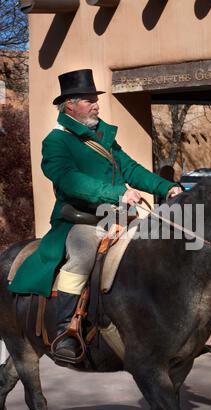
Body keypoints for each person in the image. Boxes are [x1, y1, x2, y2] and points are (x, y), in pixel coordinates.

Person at [9, 69, 182, 359]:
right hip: (82, 221)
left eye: (95, 99)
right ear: (70, 105)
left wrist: (168, 187)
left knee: (160, 246)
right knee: (82, 257)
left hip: (119, 218)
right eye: (89, 99)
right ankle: (66, 329)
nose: (96, 104)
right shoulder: (56, 142)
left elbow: (131, 170)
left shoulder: (104, 138)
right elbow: (69, 181)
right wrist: (117, 193)